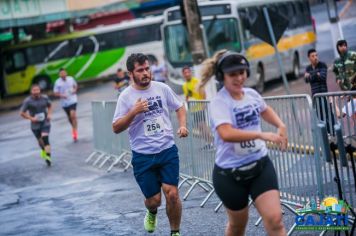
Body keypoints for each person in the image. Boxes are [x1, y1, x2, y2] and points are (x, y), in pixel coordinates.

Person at [199, 50, 288, 236]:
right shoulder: (219, 102)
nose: (239, 78)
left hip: (260, 167)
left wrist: (280, 124)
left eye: (242, 72)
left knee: (275, 219)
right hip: (230, 175)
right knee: (238, 226)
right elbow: (226, 133)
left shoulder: (251, 94)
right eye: (233, 74)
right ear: (221, 76)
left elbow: (264, 109)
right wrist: (261, 135)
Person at [112, 53, 188, 236]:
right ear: (131, 73)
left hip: (167, 150)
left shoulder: (162, 88)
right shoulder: (126, 97)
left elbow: (179, 106)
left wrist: (183, 125)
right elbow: (116, 127)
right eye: (140, 70)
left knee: (172, 194)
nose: (146, 73)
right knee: (154, 200)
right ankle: (152, 211)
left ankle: (175, 232)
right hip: (143, 155)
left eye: (147, 68)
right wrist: (134, 112)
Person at [20, 84, 53, 166]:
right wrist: (32, 118)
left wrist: (49, 114)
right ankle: (43, 150)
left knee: (45, 138)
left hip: (45, 122)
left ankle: (48, 158)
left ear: (40, 90)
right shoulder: (28, 101)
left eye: (37, 90)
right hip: (35, 125)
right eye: (34, 90)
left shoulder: (45, 98)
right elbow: (22, 113)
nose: (36, 92)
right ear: (31, 92)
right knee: (41, 142)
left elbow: (50, 106)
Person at [305, 48, 335, 134]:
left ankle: (334, 133)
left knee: (329, 115)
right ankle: (327, 135)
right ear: (309, 58)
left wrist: (311, 75)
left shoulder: (322, 65)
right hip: (315, 97)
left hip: (324, 95)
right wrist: (316, 74)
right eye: (313, 56)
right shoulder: (308, 68)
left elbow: (322, 77)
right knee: (320, 117)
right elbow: (306, 80)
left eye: (316, 55)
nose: (315, 57)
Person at [53, 68, 79, 142]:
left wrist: (74, 90)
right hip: (64, 102)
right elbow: (55, 93)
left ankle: (74, 132)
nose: (63, 74)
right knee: (70, 117)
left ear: (66, 73)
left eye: (64, 73)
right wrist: (62, 95)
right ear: (59, 75)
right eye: (61, 73)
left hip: (73, 99)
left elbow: (75, 86)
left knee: (72, 115)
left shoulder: (71, 79)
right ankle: (74, 126)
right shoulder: (57, 82)